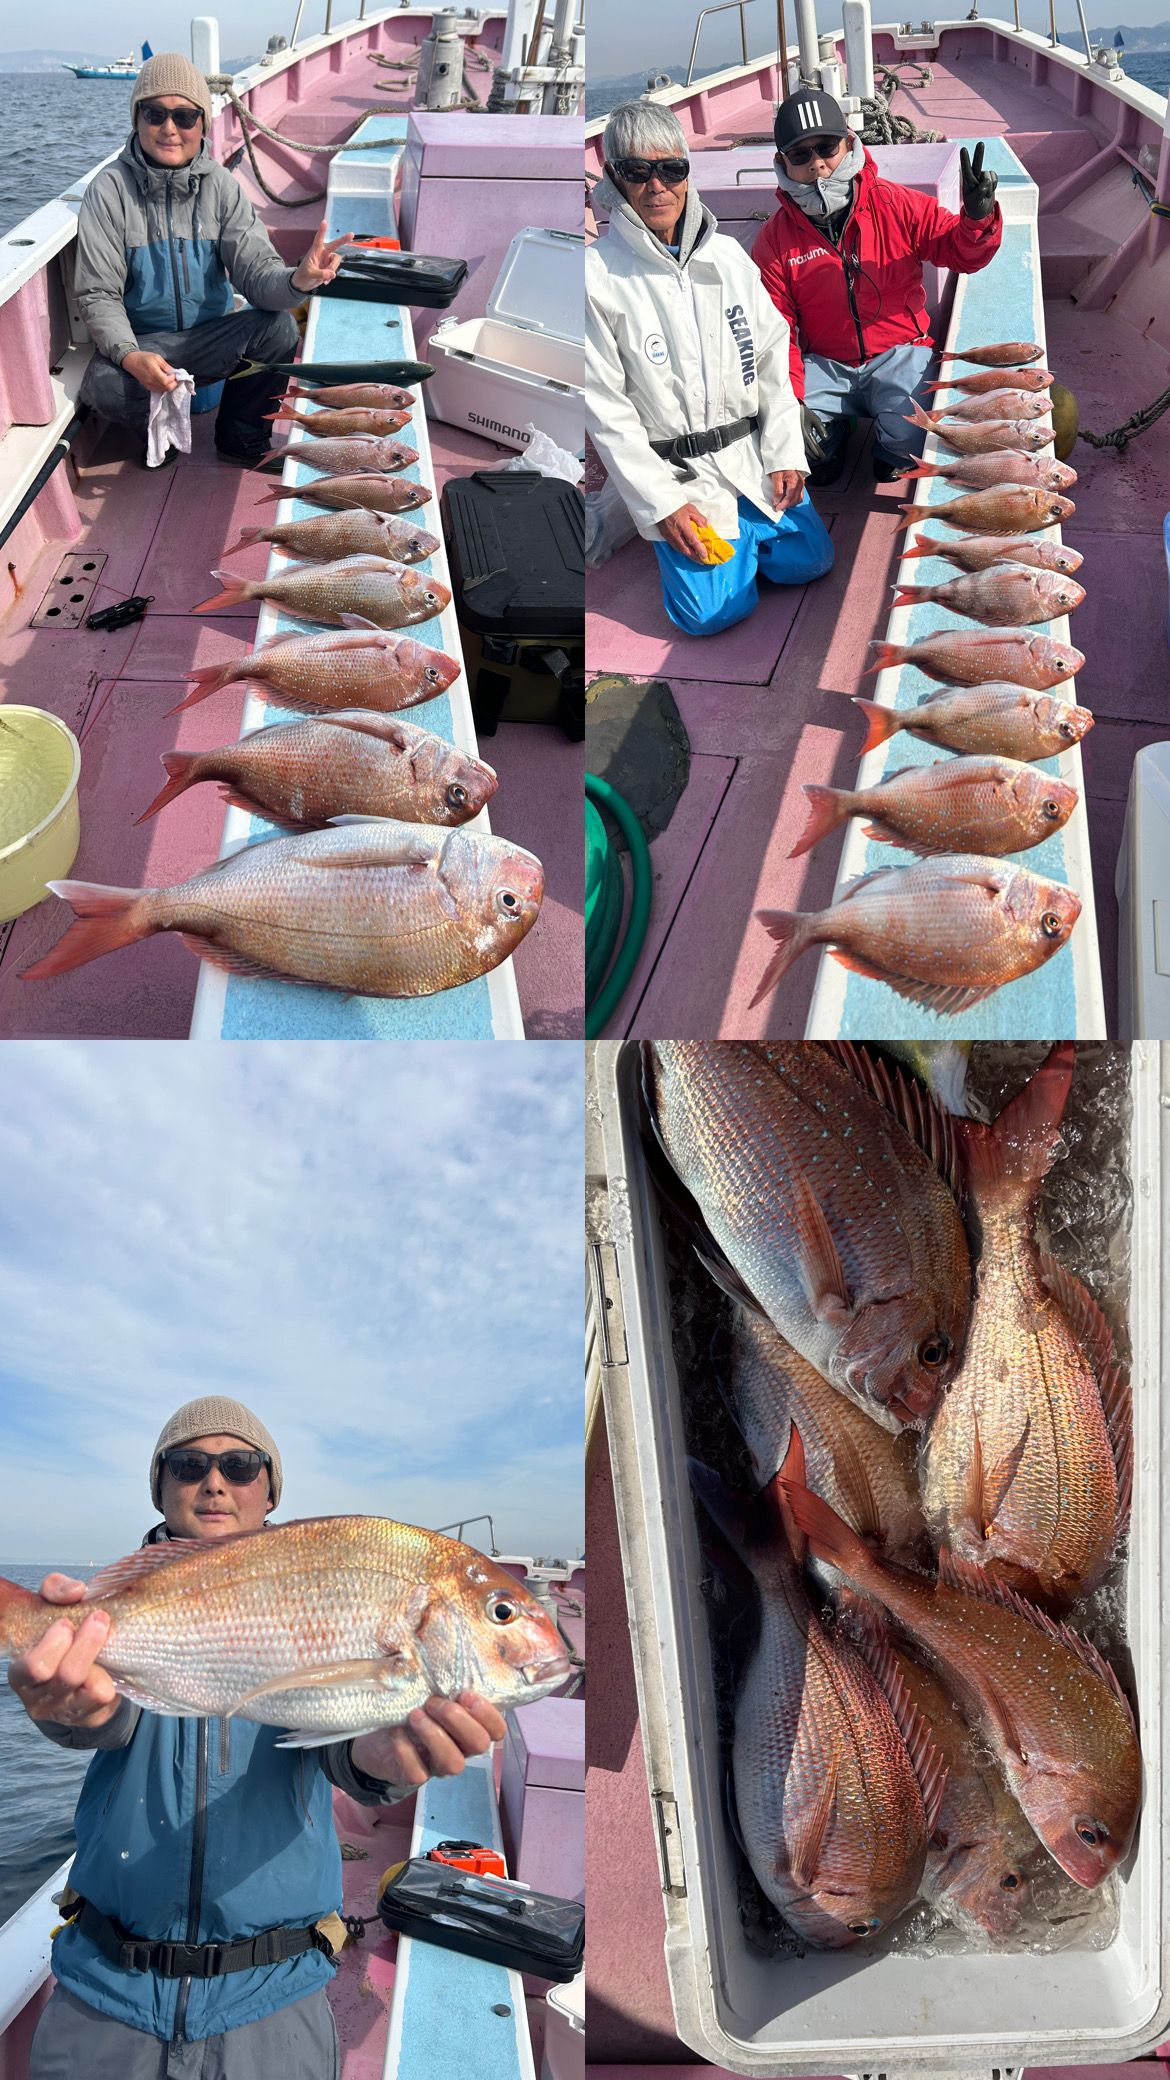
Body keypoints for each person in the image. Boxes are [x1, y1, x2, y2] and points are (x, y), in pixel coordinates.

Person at [10, 1396, 507, 2079]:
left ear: (270, 1491)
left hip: (274, 1999)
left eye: (241, 1466)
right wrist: (70, 1709)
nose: (215, 1482)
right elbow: (105, 1716)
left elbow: (345, 1749)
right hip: (104, 1991)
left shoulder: (316, 1587)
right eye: (189, 1465)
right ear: (159, 1488)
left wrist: (385, 1761)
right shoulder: (116, 1603)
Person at [584, 101, 834, 638]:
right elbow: (606, 410)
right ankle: (712, 545)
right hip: (680, 474)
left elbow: (772, 358)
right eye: (637, 171)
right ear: (614, 178)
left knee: (812, 563)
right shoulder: (595, 276)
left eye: (671, 168)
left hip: (751, 454)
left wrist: (785, 452)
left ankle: (746, 542)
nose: (657, 186)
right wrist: (664, 505)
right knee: (709, 616)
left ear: (687, 171)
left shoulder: (728, 256)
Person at [74, 52, 354, 468]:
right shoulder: (109, 190)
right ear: (137, 119)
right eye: (155, 114)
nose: (170, 128)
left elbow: (257, 274)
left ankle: (241, 440)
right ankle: (159, 433)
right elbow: (98, 294)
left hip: (209, 339)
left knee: (278, 328)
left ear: (203, 123)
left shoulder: (222, 187)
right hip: (147, 343)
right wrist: (130, 355)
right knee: (103, 387)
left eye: (185, 116)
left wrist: (298, 280)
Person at [752, 90, 1002, 483]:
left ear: (849, 143)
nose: (817, 163)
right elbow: (774, 332)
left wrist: (976, 218)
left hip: (900, 354)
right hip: (825, 364)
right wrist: (791, 401)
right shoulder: (774, 239)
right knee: (785, 434)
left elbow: (961, 253)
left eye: (827, 147)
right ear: (782, 162)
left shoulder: (897, 204)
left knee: (915, 434)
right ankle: (833, 438)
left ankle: (889, 449)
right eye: (800, 154)